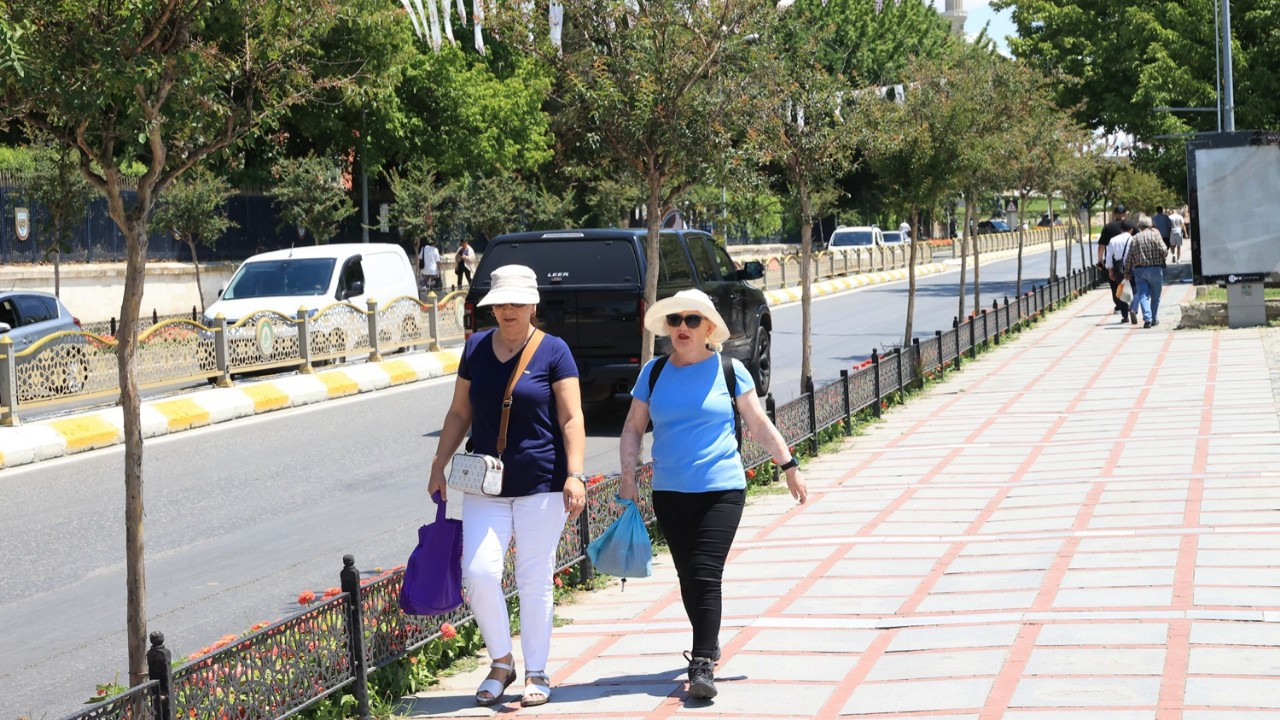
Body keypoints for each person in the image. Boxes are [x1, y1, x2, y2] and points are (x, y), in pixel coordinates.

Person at [618, 289, 808, 700]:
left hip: (721, 489)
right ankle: (709, 638)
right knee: (689, 575)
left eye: (691, 320)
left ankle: (701, 661)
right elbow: (633, 427)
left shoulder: (729, 370)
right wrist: (628, 477)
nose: (681, 328)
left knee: (705, 571)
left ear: (708, 327)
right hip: (669, 491)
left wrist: (787, 465)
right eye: (674, 321)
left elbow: (757, 423)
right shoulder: (652, 373)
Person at [428, 264, 586, 708]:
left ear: (534, 304)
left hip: (542, 483)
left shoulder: (555, 351)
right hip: (484, 484)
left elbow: (571, 418)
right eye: (500, 303)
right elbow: (459, 413)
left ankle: (536, 669)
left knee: (534, 579)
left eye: (516, 302)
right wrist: (439, 463)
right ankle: (502, 661)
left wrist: (575, 473)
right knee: (478, 573)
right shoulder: (476, 349)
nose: (507, 310)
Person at [1124, 215, 1167, 328]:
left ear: (1139, 226)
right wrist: (1161, 258)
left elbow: (1129, 257)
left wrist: (1127, 272)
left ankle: (1147, 319)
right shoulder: (1156, 236)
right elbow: (1164, 250)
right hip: (1155, 269)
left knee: (1143, 295)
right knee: (1155, 296)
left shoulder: (1135, 238)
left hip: (1139, 271)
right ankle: (1154, 318)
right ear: (1151, 225)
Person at [1096, 204, 1129, 315]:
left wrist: (1100, 260)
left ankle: (1119, 306)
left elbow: (1101, 245)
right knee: (1130, 282)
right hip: (1130, 260)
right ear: (1125, 214)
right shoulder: (1131, 226)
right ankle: (1129, 304)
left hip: (1113, 260)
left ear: (1114, 214)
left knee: (1114, 283)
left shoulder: (1108, 227)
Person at [1105, 219, 1137, 325]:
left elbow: (1109, 256)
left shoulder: (1113, 240)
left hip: (1119, 268)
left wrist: (1110, 270)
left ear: (1120, 229)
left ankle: (1125, 316)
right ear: (1131, 230)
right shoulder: (1134, 239)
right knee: (1134, 289)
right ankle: (1133, 308)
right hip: (1132, 267)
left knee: (1122, 289)